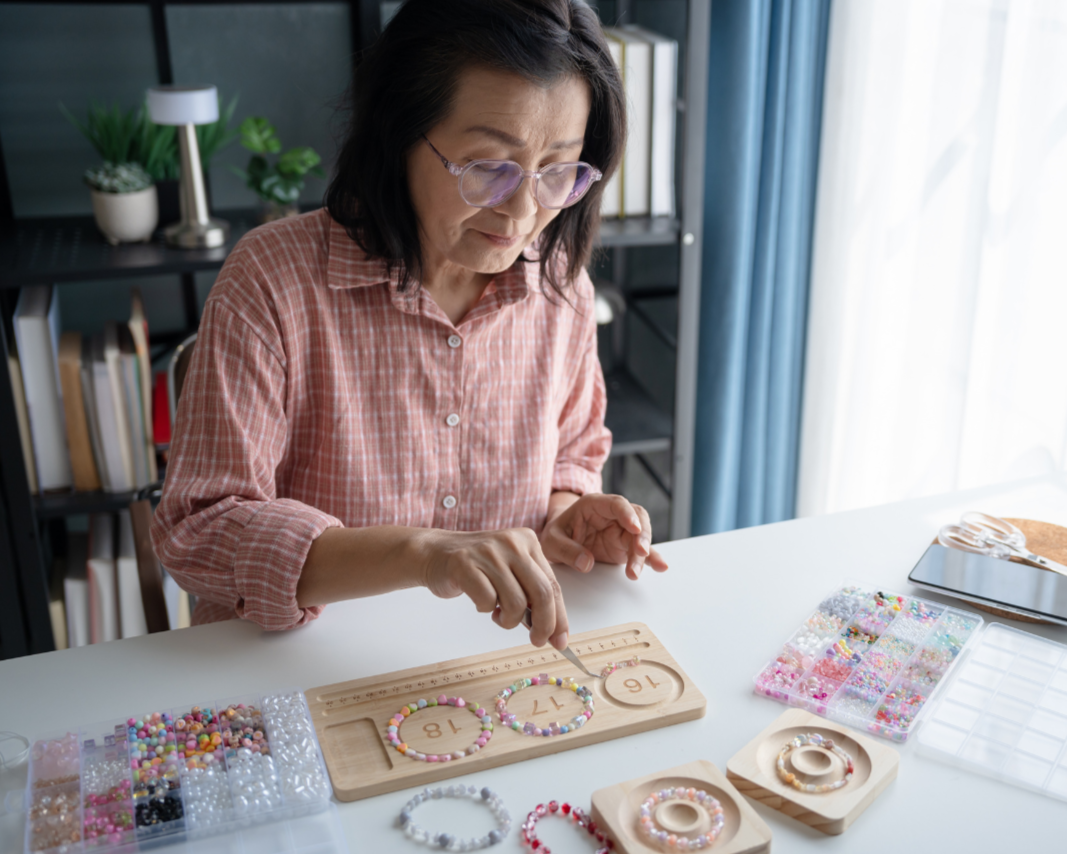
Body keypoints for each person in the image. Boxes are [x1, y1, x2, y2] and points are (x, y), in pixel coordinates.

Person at [151, 0, 668, 651]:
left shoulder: (559, 283)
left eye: (559, 170)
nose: (522, 211)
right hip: (303, 667)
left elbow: (572, 452)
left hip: (493, 661)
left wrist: (566, 513)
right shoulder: (273, 279)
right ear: (398, 135)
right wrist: (421, 554)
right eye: (488, 168)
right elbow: (198, 529)